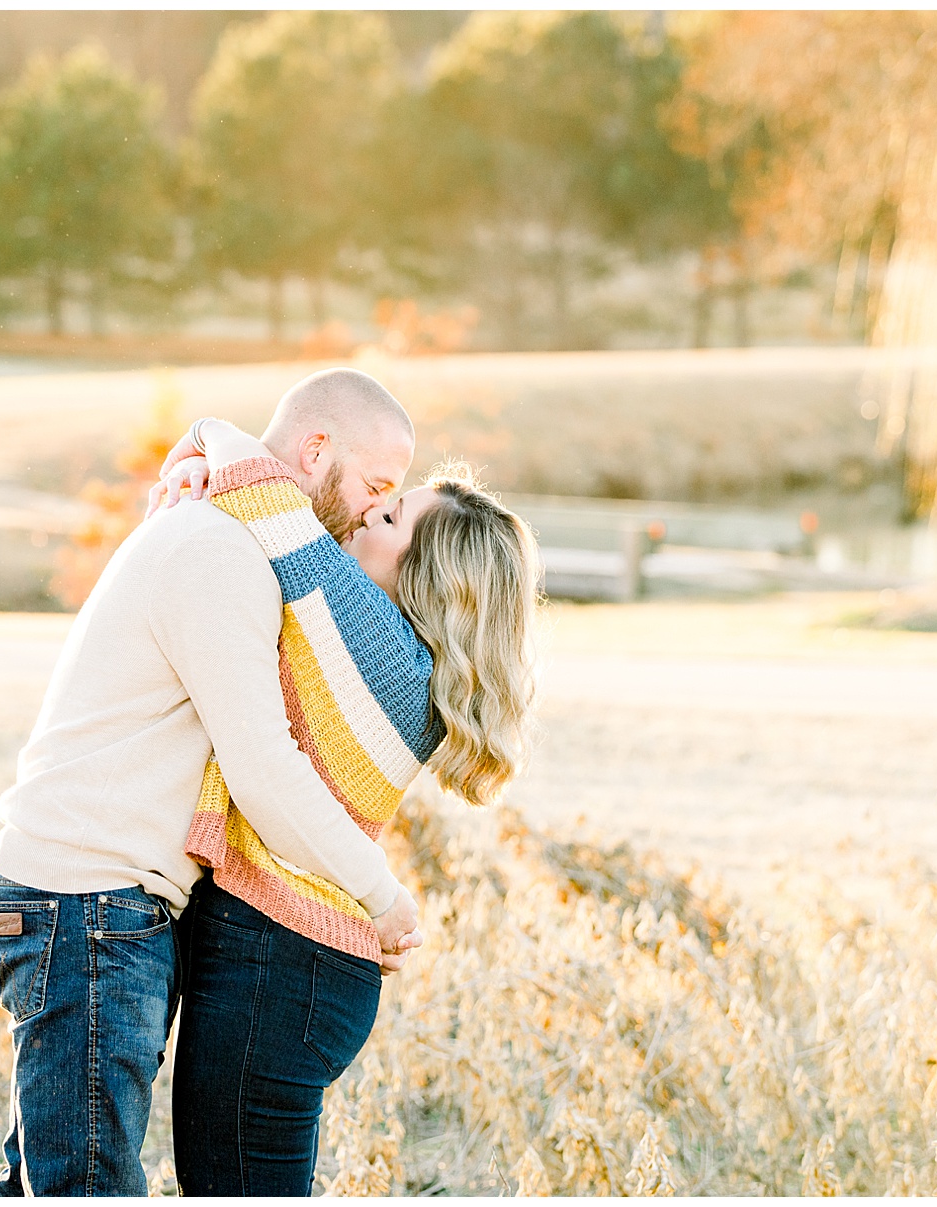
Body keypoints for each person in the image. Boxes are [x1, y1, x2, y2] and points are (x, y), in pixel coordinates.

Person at [0, 368, 427, 1196]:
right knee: (83, 1188)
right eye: (377, 485)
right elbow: (264, 771)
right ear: (316, 448)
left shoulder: (230, 534)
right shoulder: (221, 554)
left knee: (49, 1180)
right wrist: (379, 897)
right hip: (86, 904)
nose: (373, 508)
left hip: (101, 904)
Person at [150, 417, 542, 1196]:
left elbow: (265, 494)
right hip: (299, 967)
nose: (369, 513)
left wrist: (203, 439)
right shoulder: (405, 664)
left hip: (280, 964)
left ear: (434, 579)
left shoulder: (379, 645)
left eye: (393, 517)